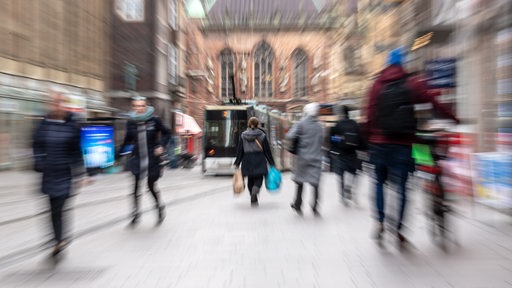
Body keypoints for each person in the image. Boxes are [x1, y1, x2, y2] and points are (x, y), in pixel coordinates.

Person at [364, 47, 459, 244]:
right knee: (402, 187)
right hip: (405, 144)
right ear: (403, 63)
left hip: (379, 144)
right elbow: (433, 103)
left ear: (388, 62)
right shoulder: (412, 83)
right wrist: (454, 118)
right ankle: (398, 229)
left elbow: (369, 115)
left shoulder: (376, 85)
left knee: (379, 183)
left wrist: (369, 140)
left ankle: (380, 222)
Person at [33, 91, 86, 257]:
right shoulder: (43, 124)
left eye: (60, 102)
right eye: (53, 102)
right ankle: (58, 239)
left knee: (60, 207)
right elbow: (36, 145)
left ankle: (60, 239)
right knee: (51, 209)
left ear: (64, 104)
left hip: (65, 173)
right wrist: (39, 161)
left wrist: (80, 173)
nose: (57, 106)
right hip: (49, 173)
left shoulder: (72, 124)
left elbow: (77, 151)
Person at [118, 96, 171, 227]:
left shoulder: (155, 120)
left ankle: (159, 207)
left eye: (142, 106)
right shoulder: (131, 122)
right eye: (136, 106)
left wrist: (161, 146)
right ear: (133, 107)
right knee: (135, 188)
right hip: (137, 159)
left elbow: (167, 133)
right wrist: (117, 155)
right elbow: (127, 140)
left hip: (152, 159)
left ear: (146, 107)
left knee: (150, 186)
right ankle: (135, 216)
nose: (139, 108)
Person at [287, 102, 324, 216]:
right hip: (316, 157)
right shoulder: (319, 126)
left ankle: (298, 204)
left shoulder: (301, 123)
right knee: (315, 183)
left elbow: (290, 136)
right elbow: (322, 141)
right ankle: (315, 207)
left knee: (300, 182)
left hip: (302, 157)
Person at [234, 117, 275, 206]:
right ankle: (255, 191)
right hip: (259, 158)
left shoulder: (243, 135)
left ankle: (253, 196)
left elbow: (240, 150)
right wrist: (271, 162)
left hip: (247, 159)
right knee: (258, 178)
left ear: (249, 124)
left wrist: (237, 163)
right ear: (257, 124)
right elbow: (267, 151)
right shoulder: (262, 135)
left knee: (250, 179)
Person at [329, 105, 362, 205]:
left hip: (341, 153)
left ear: (341, 114)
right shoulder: (354, 124)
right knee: (354, 173)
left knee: (341, 175)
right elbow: (360, 138)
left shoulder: (337, 125)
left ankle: (343, 195)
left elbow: (332, 139)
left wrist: (339, 142)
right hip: (352, 153)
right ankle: (350, 186)